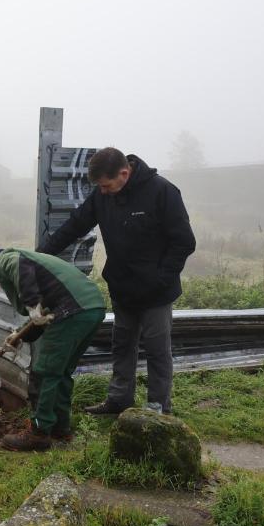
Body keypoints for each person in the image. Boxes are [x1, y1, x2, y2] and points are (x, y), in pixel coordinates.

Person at [37, 148, 195, 415]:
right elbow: (75, 225)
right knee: (122, 346)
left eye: (107, 185)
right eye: (100, 187)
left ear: (124, 173)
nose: (104, 191)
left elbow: (184, 242)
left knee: (157, 350)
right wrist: (40, 255)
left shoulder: (162, 191)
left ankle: (157, 407)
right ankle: (119, 400)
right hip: (123, 288)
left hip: (156, 292)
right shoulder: (103, 196)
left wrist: (161, 278)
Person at [0, 245, 106, 451]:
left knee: (44, 372)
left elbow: (20, 266)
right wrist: (17, 337)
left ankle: (38, 432)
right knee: (60, 372)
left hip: (71, 310)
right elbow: (41, 320)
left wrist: (31, 303)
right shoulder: (41, 273)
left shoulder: (4, 260)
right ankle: (60, 428)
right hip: (92, 308)